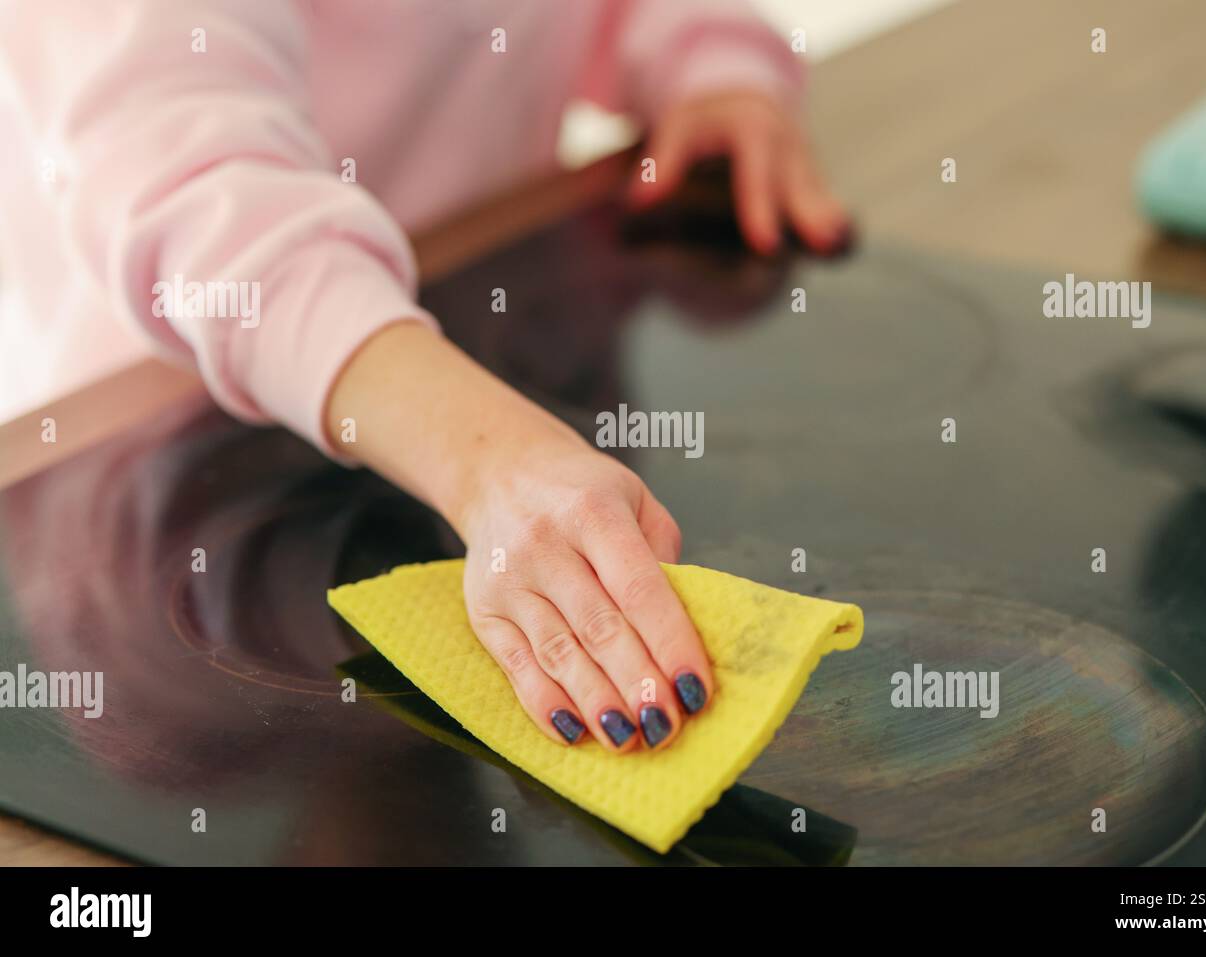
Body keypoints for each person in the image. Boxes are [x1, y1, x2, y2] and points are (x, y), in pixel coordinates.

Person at [0, 0, 849, 753]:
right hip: (173, 462)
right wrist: (494, 459)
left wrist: (711, 66)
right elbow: (191, 184)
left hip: (481, 383)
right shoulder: (199, 748)